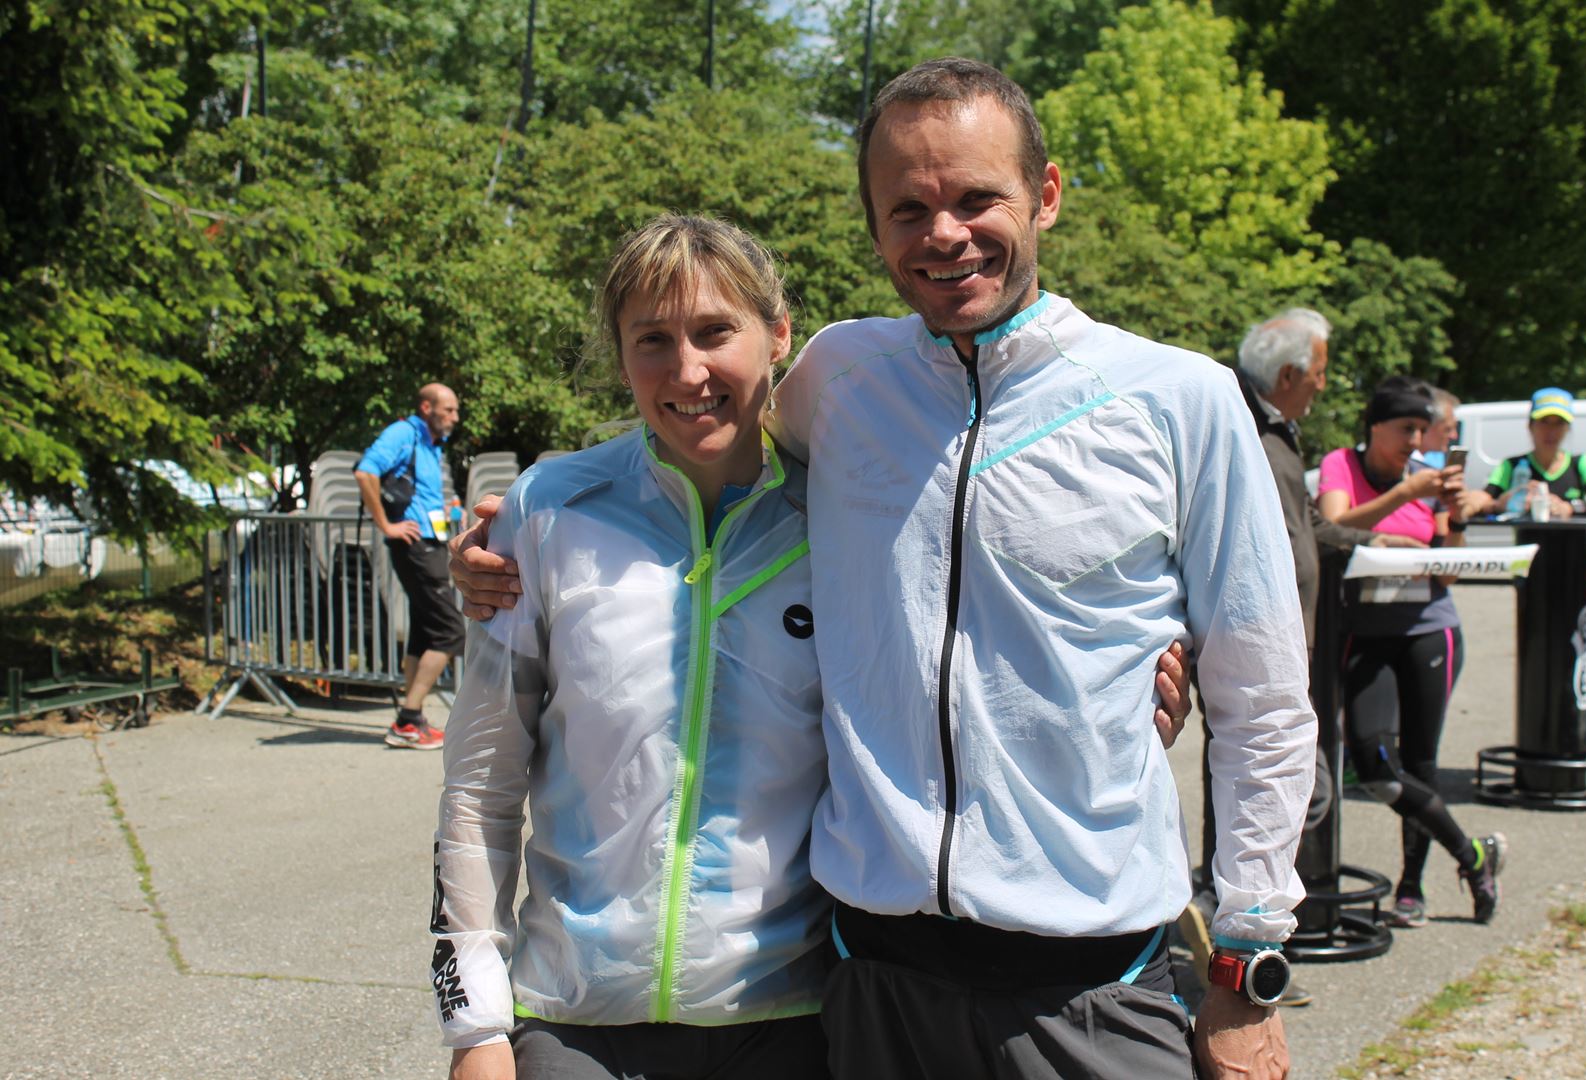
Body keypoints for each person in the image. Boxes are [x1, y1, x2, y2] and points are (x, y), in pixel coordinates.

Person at [452, 59, 1308, 1080]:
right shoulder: (841, 378)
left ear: (1044, 194)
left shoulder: (1179, 401)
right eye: (907, 208)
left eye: (975, 198)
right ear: (873, 227)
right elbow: (706, 445)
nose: (943, 233)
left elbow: (1262, 701)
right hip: (870, 995)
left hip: (1091, 987)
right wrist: (519, 527)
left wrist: (1247, 959)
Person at [434, 215, 836, 1080]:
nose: (687, 372)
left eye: (715, 332)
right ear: (621, 357)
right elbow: (480, 785)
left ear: (777, 336)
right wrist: (475, 1025)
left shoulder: (843, 518)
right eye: (652, 339)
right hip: (577, 1017)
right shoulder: (550, 511)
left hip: (790, 1017)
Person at [1185, 310, 1423, 1001]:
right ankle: (1229, 937)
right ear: (1288, 374)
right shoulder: (1242, 427)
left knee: (1266, 780)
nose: (1323, 383)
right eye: (1318, 371)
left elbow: (1306, 526)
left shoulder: (1274, 430)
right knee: (1282, 783)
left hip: (1281, 642)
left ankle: (1222, 925)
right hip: (1251, 644)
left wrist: (1373, 541)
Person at [1316, 376, 1506, 927]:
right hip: (1364, 635)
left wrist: (1456, 517)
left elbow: (1449, 571)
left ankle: (1411, 887)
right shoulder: (1341, 465)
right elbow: (1332, 525)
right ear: (1375, 426)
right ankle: (1472, 854)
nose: (1416, 441)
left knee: (1422, 761)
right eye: (1406, 429)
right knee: (1375, 765)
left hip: (1429, 631)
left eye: (1423, 430)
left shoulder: (1429, 475)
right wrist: (1403, 497)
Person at [355, 382, 465, 749]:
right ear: (426, 408)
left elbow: (421, 494)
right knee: (451, 632)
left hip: (429, 541)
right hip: (414, 545)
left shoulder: (431, 444)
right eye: (448, 410)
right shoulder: (403, 433)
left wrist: (448, 510)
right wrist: (386, 525)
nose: (455, 417)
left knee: (423, 633)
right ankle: (408, 717)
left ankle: (412, 721)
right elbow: (365, 472)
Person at [1480, 387, 1586, 518]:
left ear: (1568, 428)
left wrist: (1569, 508)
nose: (1551, 431)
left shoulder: (1582, 462)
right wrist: (1499, 504)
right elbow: (1480, 503)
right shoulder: (1511, 465)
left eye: (1559, 423)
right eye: (1544, 422)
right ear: (1530, 426)